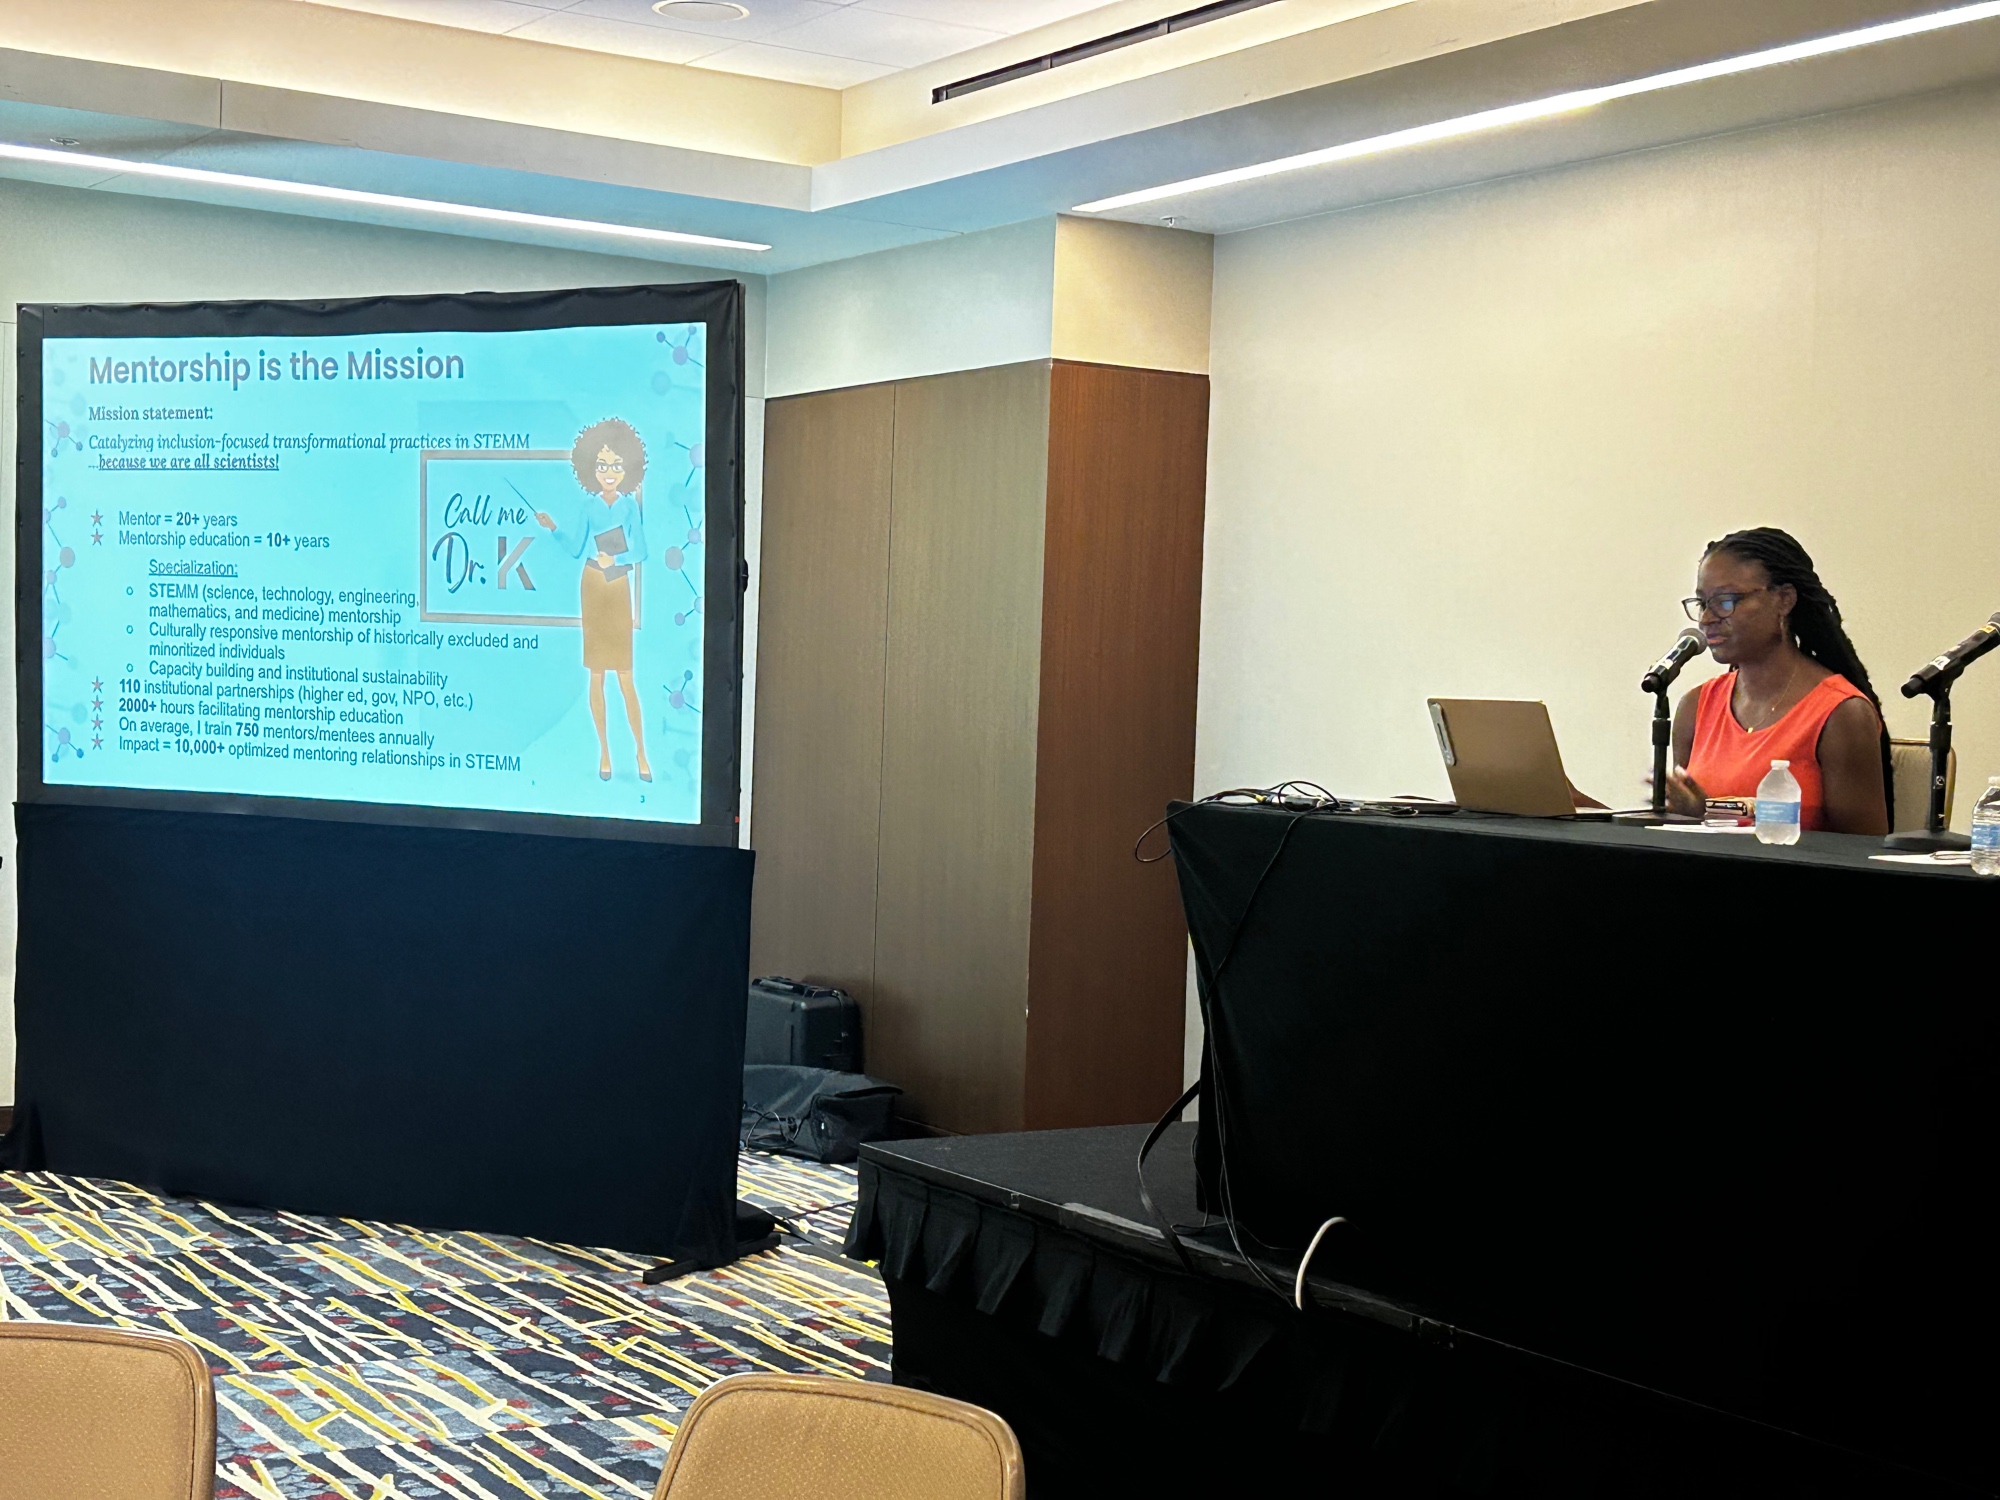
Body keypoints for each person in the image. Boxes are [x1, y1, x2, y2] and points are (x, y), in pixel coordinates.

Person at [1665, 527, 1889, 834]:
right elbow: (1681, 834)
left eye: (1726, 601)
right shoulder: (1696, 706)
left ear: (1784, 600)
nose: (1707, 619)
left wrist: (1712, 813)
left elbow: (1862, 849)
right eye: (1703, 603)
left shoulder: (1841, 713)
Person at [537, 418, 651, 783]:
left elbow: (642, 550)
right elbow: (575, 548)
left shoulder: (629, 507)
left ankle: (641, 751)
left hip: (616, 585)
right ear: (590, 469)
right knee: (597, 674)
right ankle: (604, 751)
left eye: (616, 465)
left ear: (628, 468)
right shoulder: (588, 506)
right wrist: (553, 528)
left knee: (626, 676)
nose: (609, 473)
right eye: (602, 465)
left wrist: (615, 558)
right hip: (592, 585)